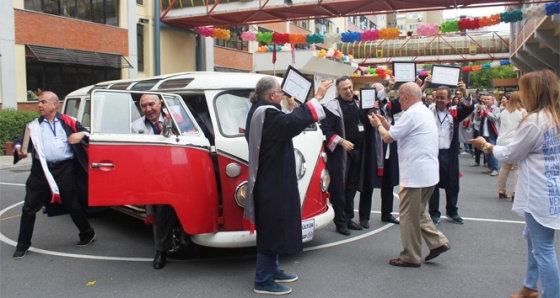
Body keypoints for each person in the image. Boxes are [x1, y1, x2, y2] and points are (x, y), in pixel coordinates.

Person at [469, 69, 560, 298]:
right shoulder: (554, 117)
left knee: (544, 249)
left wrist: (486, 146)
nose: (521, 94)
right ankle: (530, 286)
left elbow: (510, 153)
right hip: (551, 188)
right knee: (533, 239)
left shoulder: (535, 121)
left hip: (538, 192)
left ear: (534, 93)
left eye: (523, 89)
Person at [245, 77, 332, 295]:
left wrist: (290, 109)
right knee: (271, 227)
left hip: (273, 177)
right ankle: (263, 280)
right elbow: (288, 125)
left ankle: (272, 270)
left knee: (276, 225)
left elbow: (283, 125)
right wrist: (318, 96)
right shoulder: (265, 113)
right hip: (270, 181)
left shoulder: (261, 110)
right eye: (281, 93)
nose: (283, 95)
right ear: (271, 95)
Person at [368, 82, 450, 267]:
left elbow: (388, 137)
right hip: (428, 173)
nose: (399, 102)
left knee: (408, 216)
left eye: (400, 98)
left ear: (405, 97)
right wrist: (385, 123)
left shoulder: (411, 114)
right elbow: (397, 132)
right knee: (419, 213)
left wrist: (377, 126)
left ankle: (410, 256)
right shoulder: (424, 111)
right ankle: (438, 242)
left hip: (415, 175)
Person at [11, 91, 96, 259]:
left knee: (73, 204)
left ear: (54, 105)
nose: (39, 105)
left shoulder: (70, 122)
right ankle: (22, 244)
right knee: (29, 207)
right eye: (39, 102)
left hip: (65, 169)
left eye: (43, 102)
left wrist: (82, 134)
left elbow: (89, 135)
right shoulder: (33, 126)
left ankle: (87, 233)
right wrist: (17, 149)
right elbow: (19, 141)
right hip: (40, 171)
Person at [131, 94, 179, 270]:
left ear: (160, 103)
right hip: (156, 175)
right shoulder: (135, 127)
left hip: (181, 169)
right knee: (161, 213)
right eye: (144, 106)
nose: (148, 109)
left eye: (151, 104)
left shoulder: (177, 117)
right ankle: (161, 251)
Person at [421, 78, 474, 226]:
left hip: (449, 154)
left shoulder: (454, 112)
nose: (438, 100)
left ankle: (452, 211)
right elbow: (416, 101)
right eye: (437, 97)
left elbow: (469, 108)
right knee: (433, 185)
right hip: (433, 153)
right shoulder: (429, 110)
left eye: (442, 98)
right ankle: (434, 214)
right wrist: (424, 85)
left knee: (452, 184)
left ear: (449, 99)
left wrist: (464, 91)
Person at [320, 75, 365, 235]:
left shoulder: (358, 104)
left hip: (357, 152)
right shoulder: (331, 107)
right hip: (340, 154)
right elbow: (325, 130)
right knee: (339, 188)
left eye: (350, 87)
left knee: (352, 187)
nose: (349, 91)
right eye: (345, 89)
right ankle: (340, 223)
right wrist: (341, 141)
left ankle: (348, 218)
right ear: (338, 90)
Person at [359, 78, 401, 228]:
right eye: (375, 94)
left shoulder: (387, 108)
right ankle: (364, 217)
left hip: (388, 150)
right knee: (368, 185)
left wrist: (422, 86)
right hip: (373, 153)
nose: (379, 98)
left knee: (388, 184)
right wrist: (386, 89)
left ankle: (387, 213)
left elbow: (405, 100)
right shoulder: (365, 111)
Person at [496, 91, 526, 200]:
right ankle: (515, 192)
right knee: (517, 167)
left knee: (505, 166)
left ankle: (501, 189)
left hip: (503, 141)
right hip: (515, 141)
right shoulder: (522, 112)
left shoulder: (504, 112)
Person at [474, 94, 500, 176]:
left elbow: (494, 118)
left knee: (493, 151)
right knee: (486, 151)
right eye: (485, 99)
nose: (486, 101)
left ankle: (495, 168)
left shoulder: (496, 109)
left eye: (489, 99)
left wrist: (485, 111)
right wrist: (478, 110)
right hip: (483, 133)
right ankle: (490, 167)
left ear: (493, 101)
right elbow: (477, 119)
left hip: (491, 133)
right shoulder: (482, 108)